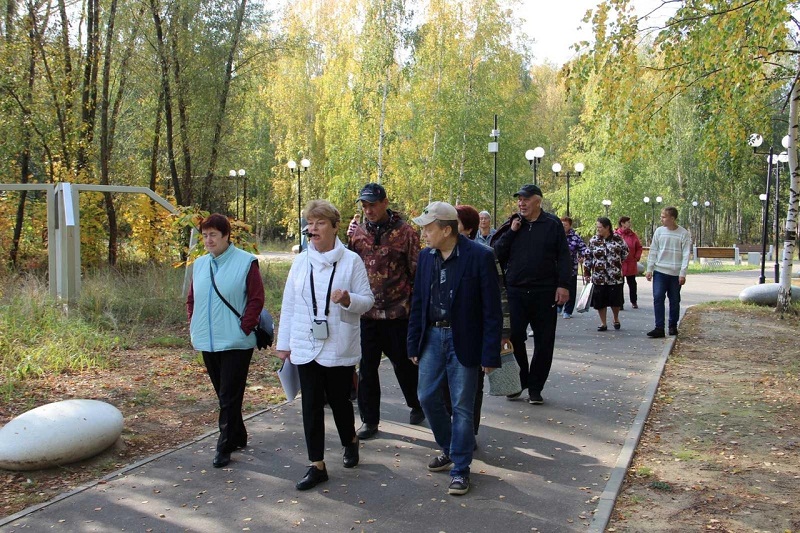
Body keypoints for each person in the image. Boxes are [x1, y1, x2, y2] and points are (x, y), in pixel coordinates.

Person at [275, 200, 375, 491]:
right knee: (311, 405)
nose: (313, 228)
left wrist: (348, 300)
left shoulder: (351, 261)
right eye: (310, 222)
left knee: (340, 402)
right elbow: (290, 304)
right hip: (305, 343)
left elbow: (367, 301)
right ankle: (316, 465)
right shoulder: (300, 261)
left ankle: (350, 440)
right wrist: (284, 344)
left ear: (334, 227)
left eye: (319, 223)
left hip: (337, 343)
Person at [407, 201, 502, 496]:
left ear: (447, 229)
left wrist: (490, 353)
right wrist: (413, 341)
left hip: (465, 339)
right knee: (425, 396)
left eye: (428, 228)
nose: (424, 233)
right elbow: (419, 301)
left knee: (462, 406)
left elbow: (492, 310)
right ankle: (450, 448)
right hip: (432, 338)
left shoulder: (480, 257)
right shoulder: (426, 257)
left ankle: (461, 468)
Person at [187, 213, 265, 469]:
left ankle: (224, 444)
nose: (208, 240)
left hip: (235, 340)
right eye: (205, 235)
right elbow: (193, 298)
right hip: (207, 339)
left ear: (226, 236)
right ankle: (238, 433)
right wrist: (193, 321)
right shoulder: (199, 264)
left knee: (228, 395)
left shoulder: (245, 262)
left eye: (213, 235)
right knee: (224, 393)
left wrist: (245, 326)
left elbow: (256, 298)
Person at [346, 183, 424, 440]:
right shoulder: (357, 234)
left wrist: (416, 308)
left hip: (397, 314)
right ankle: (370, 420)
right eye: (364, 205)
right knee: (367, 369)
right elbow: (351, 270)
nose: (368, 210)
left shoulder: (406, 233)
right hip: (367, 315)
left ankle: (417, 403)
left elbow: (417, 272)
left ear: (385, 202)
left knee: (404, 365)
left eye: (372, 204)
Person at [491, 184, 570, 405]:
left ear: (538, 201)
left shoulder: (552, 224)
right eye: (519, 200)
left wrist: (563, 285)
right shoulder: (513, 224)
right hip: (516, 291)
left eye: (526, 199)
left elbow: (564, 256)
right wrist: (512, 231)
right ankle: (520, 379)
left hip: (545, 292)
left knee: (544, 342)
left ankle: (535, 387)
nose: (521, 203)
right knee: (514, 336)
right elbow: (495, 253)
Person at [452, 204, 512, 439]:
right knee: (444, 390)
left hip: (474, 330)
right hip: (445, 332)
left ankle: (468, 432)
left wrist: (503, 332)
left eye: (454, 221)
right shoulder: (437, 254)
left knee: (472, 386)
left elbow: (499, 294)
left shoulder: (483, 253)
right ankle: (455, 429)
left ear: (466, 228)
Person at [646, 206, 691, 338]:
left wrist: (683, 273)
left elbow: (686, 254)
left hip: (675, 273)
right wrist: (650, 269)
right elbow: (653, 250)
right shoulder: (659, 232)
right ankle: (659, 327)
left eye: (664, 217)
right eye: (661, 216)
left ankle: (672, 325)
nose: (662, 219)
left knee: (674, 300)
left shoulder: (683, 233)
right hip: (660, 271)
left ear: (672, 218)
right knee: (658, 298)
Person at [583, 217, 629, 331]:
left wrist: (616, 263)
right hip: (599, 276)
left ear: (607, 227)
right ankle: (603, 323)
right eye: (597, 227)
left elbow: (625, 252)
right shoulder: (594, 240)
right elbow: (588, 256)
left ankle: (616, 318)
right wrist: (587, 271)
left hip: (615, 276)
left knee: (615, 300)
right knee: (600, 301)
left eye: (600, 227)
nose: (598, 229)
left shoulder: (618, 239)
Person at [560, 216, 588, 318]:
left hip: (571, 268)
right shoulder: (556, 235)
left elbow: (584, 249)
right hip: (557, 268)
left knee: (571, 289)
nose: (563, 227)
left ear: (570, 226)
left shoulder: (575, 237)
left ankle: (568, 311)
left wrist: (581, 256)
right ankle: (558, 305)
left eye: (565, 225)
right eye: (562, 225)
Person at [616, 216, 643, 309]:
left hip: (631, 262)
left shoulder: (633, 235)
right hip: (619, 263)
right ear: (622, 223)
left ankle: (634, 301)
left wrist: (637, 256)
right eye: (627, 222)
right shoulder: (616, 234)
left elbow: (639, 247)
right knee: (620, 284)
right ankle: (620, 303)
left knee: (632, 283)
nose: (629, 224)